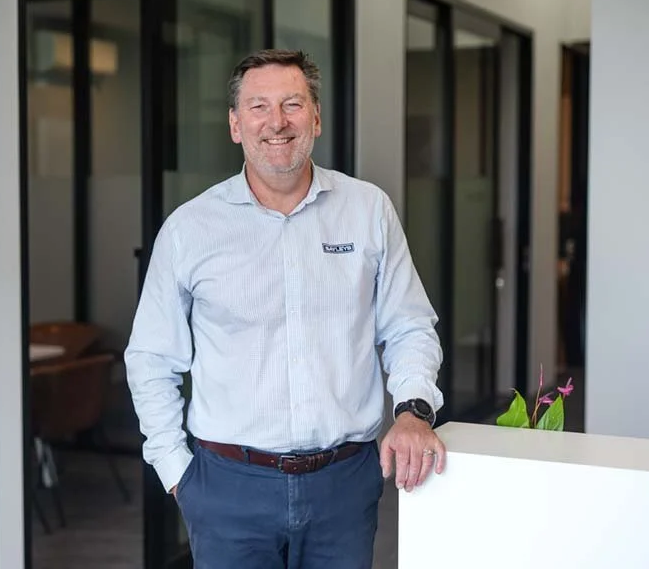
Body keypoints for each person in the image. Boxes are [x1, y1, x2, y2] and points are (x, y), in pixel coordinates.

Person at [125, 49, 446, 569]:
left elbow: (409, 325)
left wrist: (413, 411)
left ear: (316, 117)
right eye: (258, 107)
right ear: (235, 124)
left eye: (292, 104)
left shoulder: (368, 211)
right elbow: (150, 359)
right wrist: (177, 471)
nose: (277, 122)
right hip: (227, 487)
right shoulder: (190, 229)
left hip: (343, 486)